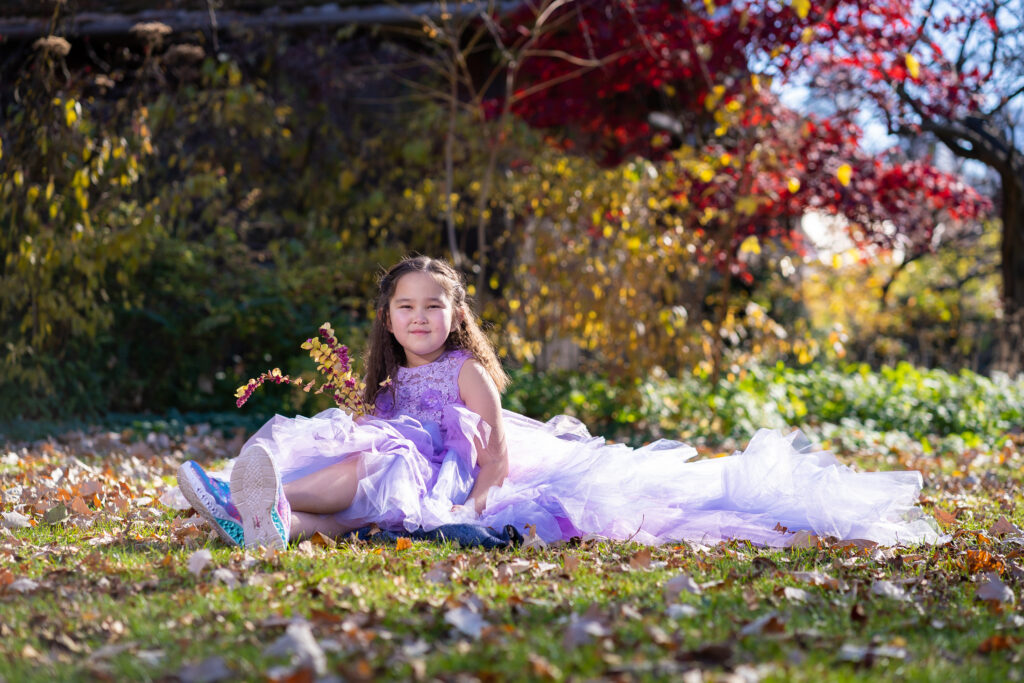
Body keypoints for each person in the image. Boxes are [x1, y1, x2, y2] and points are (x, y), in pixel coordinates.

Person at [175, 255, 943, 550]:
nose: (419, 317)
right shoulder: (390, 379)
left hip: (443, 479)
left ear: (455, 315)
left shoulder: (465, 371)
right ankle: (272, 526)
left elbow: (498, 453)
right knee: (357, 491)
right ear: (387, 318)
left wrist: (473, 506)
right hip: (403, 479)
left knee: (375, 462)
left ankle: (249, 497)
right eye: (406, 306)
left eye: (433, 306)